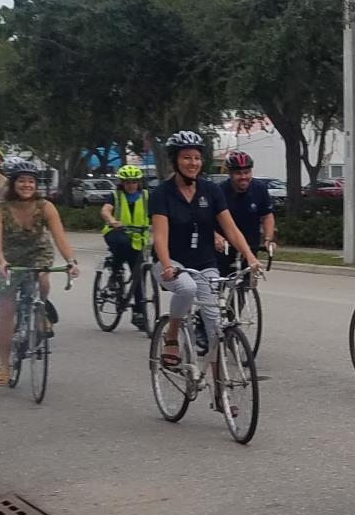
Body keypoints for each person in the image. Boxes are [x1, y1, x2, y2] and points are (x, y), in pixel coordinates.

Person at [150, 131, 262, 374]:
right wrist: (167, 265)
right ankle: (171, 338)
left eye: (197, 158)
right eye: (187, 158)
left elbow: (231, 229)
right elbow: (159, 235)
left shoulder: (210, 191)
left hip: (204, 262)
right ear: (175, 161)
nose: (193, 163)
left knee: (214, 325)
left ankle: (218, 387)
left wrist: (251, 259)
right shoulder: (162, 194)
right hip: (171, 262)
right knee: (187, 288)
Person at [0, 159, 79, 387]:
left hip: (37, 251)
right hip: (8, 257)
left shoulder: (46, 207)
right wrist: (1, 262)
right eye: (21, 181)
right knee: (6, 308)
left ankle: (41, 309)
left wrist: (71, 261)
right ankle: (4, 365)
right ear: (13, 184)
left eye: (31, 181)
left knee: (43, 277)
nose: (26, 185)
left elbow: (59, 238)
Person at [100, 163, 153, 331]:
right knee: (121, 243)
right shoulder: (115, 196)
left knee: (139, 275)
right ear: (122, 182)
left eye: (134, 182)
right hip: (116, 232)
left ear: (139, 182)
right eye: (127, 182)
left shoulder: (146, 196)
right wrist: (112, 220)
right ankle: (115, 274)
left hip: (138, 238)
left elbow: (157, 213)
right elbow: (105, 210)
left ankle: (138, 313)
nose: (131, 185)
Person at [215, 151, 276, 273]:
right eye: (238, 173)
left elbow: (267, 216)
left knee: (248, 281)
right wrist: (215, 236)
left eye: (247, 172)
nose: (243, 177)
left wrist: (268, 238)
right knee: (217, 284)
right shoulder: (219, 191)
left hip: (250, 242)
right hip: (224, 245)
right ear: (230, 173)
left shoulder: (259, 188)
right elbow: (205, 219)